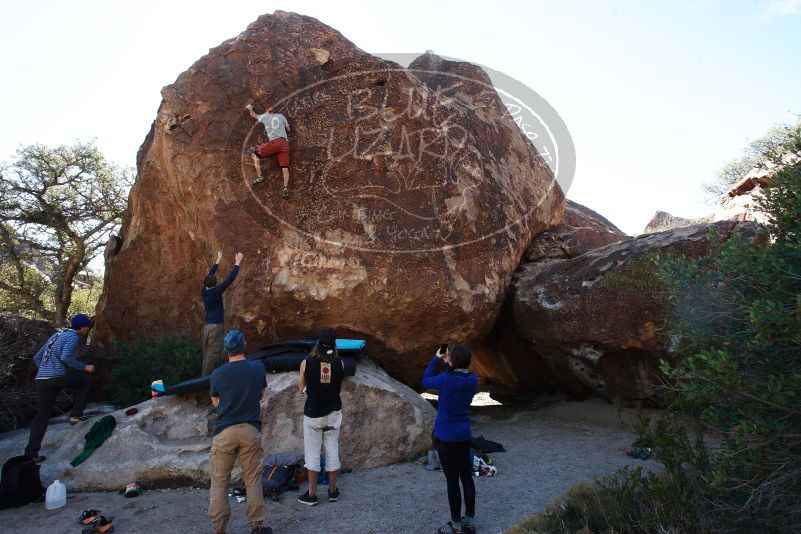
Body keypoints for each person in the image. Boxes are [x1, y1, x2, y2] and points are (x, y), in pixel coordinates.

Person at [208, 330, 271, 534]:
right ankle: (257, 526)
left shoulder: (217, 374)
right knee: (252, 478)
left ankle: (219, 529)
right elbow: (261, 393)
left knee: (219, 481)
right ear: (244, 346)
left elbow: (216, 402)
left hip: (224, 430)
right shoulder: (257, 368)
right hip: (250, 429)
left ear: (226, 350)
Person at [24, 314, 97, 462]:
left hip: (42, 379)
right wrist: (85, 367)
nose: (88, 329)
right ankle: (76, 415)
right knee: (86, 381)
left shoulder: (57, 335)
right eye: (87, 327)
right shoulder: (72, 337)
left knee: (42, 416)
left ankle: (31, 455)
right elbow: (65, 357)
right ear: (82, 327)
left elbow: (37, 357)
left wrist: (47, 370)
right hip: (56, 376)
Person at [422, 344, 479, 534]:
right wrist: (450, 363)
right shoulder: (472, 380)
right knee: (466, 477)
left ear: (453, 360)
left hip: (446, 437)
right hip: (463, 435)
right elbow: (456, 379)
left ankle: (455, 525)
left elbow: (426, 380)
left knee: (452, 481)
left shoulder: (446, 379)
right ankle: (469, 522)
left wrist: (436, 358)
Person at [297, 328, 344, 505]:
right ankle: (332, 491)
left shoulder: (306, 363)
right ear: (334, 345)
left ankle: (312, 493)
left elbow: (301, 388)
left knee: (312, 453)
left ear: (317, 344)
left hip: (313, 414)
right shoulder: (341, 364)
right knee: (332, 450)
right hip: (333, 413)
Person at [202, 251, 243, 375]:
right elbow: (229, 280)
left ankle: (207, 375)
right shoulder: (216, 292)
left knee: (207, 351)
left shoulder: (204, 291)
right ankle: (207, 378)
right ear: (215, 285)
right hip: (216, 326)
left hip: (208, 326)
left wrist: (218, 260)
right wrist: (237, 262)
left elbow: (210, 275)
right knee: (214, 352)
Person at [246, 103, 291, 198]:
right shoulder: (281, 116)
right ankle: (285, 188)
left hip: (275, 143)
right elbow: (288, 129)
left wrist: (250, 109)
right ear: (274, 110)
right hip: (285, 144)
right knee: (285, 167)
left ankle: (259, 176)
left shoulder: (265, 117)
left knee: (255, 155)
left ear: (267, 110)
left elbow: (253, 115)